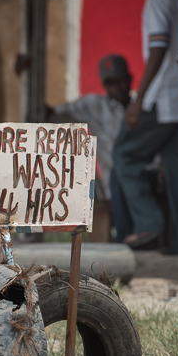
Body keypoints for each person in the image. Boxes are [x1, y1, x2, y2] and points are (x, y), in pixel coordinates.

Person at [115, 0, 178, 255]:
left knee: (123, 153)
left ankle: (149, 224)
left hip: (162, 100)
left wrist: (140, 99)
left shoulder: (157, 1)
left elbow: (158, 48)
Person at [51, 54, 134, 241]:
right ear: (104, 85)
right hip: (113, 185)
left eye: (121, 80)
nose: (118, 87)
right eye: (111, 83)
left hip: (141, 178)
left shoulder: (141, 105)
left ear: (129, 80)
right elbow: (50, 112)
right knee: (116, 174)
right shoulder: (94, 105)